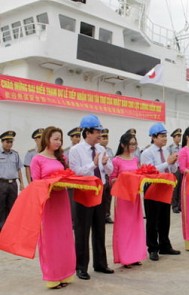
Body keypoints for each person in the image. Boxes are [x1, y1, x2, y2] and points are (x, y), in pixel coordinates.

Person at [69, 114, 114, 280]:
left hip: (100, 191)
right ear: (87, 132)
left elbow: (109, 170)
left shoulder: (101, 149)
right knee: (82, 231)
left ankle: (100, 264)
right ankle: (81, 267)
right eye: (97, 131)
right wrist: (93, 165)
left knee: (99, 229)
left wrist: (104, 164)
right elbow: (75, 173)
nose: (100, 134)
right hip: (84, 192)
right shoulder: (75, 151)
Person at [30, 126, 76, 289]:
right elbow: (36, 183)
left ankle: (65, 274)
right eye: (56, 139)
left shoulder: (60, 157)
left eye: (60, 139)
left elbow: (67, 176)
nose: (59, 142)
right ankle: (52, 276)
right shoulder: (37, 159)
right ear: (47, 139)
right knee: (50, 240)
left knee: (64, 238)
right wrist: (51, 185)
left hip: (62, 200)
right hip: (48, 202)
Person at [140, 123, 181, 261]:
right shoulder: (147, 153)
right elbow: (150, 171)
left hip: (165, 186)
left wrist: (173, 162)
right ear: (153, 137)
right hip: (152, 186)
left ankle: (165, 244)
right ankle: (152, 248)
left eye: (165, 136)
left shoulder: (166, 152)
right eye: (162, 136)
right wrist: (167, 163)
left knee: (165, 218)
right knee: (152, 219)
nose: (165, 139)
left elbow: (173, 169)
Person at [109, 132, 146, 268]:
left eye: (134, 144)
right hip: (123, 197)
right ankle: (125, 257)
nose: (132, 146)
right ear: (123, 144)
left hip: (135, 197)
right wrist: (124, 179)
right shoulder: (116, 160)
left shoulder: (135, 159)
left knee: (136, 226)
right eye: (130, 144)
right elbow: (112, 179)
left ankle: (135, 256)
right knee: (124, 228)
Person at [0, 130, 24, 231]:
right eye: (7, 142)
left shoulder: (15, 154)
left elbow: (18, 169)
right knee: (1, 206)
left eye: (11, 142)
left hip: (13, 184)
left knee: (12, 206)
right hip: (1, 183)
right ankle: (1, 228)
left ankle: (10, 228)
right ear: (2, 142)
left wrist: (21, 183)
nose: (9, 144)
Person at [100, 128, 115, 224]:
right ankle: (100, 216)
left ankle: (107, 215)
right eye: (103, 137)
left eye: (107, 137)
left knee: (108, 197)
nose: (105, 140)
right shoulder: (98, 149)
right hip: (101, 176)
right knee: (101, 197)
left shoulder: (109, 150)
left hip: (108, 176)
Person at [168, 128, 182, 213]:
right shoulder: (170, 148)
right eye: (177, 136)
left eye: (180, 136)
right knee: (175, 188)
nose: (179, 138)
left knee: (181, 187)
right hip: (174, 169)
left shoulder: (182, 147)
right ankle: (174, 205)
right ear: (173, 137)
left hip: (181, 168)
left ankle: (180, 204)